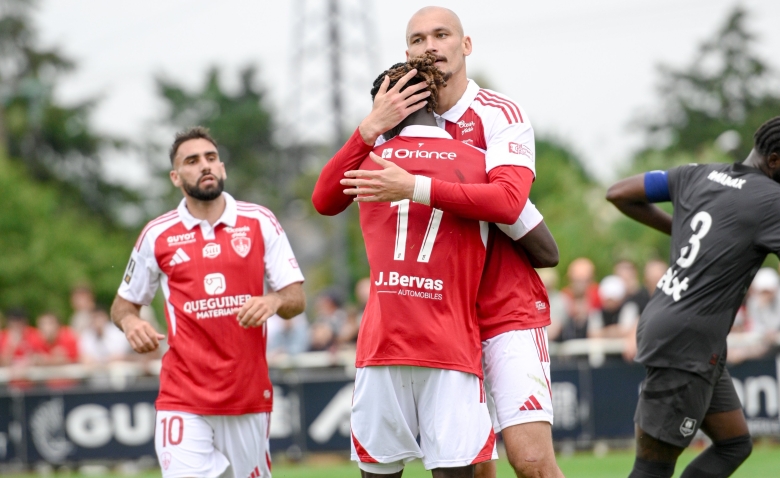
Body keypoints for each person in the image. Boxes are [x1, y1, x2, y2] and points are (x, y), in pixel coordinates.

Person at [323, 7, 563, 477]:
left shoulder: (498, 114)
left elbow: (513, 204)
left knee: (531, 461)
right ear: (407, 56)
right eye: (416, 40)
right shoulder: (390, 132)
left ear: (465, 45)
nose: (429, 45)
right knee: (472, 464)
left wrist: (416, 187)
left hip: (504, 311)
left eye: (441, 34)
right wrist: (369, 127)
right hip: (436, 317)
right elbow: (326, 198)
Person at [314, 55, 507, 478]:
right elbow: (535, 235)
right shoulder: (477, 161)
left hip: (383, 347)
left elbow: (323, 200)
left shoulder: (367, 161)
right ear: (434, 102)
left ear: (383, 108)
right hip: (450, 347)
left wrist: (366, 132)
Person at [110, 127, 305, 478]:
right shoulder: (157, 234)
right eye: (192, 160)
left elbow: (296, 298)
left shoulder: (259, 221)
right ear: (175, 176)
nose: (205, 166)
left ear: (223, 168)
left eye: (211, 158)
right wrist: (131, 323)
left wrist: (273, 301)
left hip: (246, 396)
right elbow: (122, 307)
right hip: (182, 396)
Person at [606, 116, 780, 478]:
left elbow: (618, 192)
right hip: (687, 342)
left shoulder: (696, 173)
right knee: (653, 467)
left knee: (734, 445)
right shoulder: (772, 201)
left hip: (676, 326)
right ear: (775, 160)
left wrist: (680, 230)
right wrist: (681, 231)